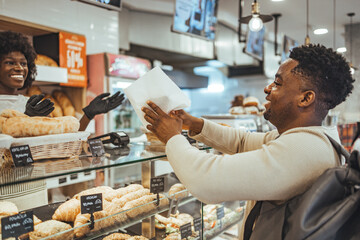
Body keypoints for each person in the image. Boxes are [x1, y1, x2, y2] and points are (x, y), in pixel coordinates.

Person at [141, 44, 355, 239]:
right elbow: (242, 142)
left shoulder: (304, 150)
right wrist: (194, 124)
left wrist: (172, 137)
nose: (267, 89)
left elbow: (206, 181)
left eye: (278, 83)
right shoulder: (309, 137)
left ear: (306, 98)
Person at [0, 31, 124, 131]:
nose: (19, 68)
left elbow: (62, 139)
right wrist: (26, 118)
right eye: (10, 62)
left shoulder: (30, 103)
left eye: (23, 63)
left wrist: (89, 114)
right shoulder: (29, 108)